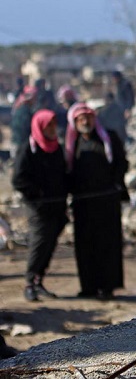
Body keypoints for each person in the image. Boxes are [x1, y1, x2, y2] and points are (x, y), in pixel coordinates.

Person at [66, 103, 129, 300]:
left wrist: (114, 183)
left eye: (88, 117)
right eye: (81, 119)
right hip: (83, 205)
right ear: (74, 122)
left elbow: (122, 163)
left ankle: (107, 286)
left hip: (107, 202)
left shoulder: (108, 137)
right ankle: (89, 287)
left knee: (107, 244)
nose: (85, 122)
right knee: (85, 245)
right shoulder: (72, 144)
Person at [12, 110, 67, 302]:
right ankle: (29, 283)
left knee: (50, 245)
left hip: (57, 208)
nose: (52, 129)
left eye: (53, 125)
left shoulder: (56, 148)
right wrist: (38, 195)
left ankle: (39, 280)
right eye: (48, 126)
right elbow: (18, 180)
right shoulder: (28, 149)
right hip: (38, 208)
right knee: (39, 244)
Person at [10, 86, 36, 157]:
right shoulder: (25, 111)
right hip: (22, 144)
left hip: (16, 142)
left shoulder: (19, 108)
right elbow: (26, 128)